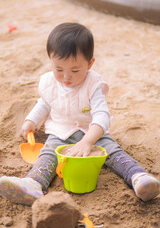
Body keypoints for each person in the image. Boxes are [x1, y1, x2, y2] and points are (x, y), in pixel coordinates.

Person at [0, 23, 159, 206]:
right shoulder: (49, 82)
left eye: (75, 70)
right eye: (58, 69)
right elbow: (44, 103)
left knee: (113, 152)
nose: (66, 77)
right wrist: (31, 120)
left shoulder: (93, 85)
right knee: (48, 155)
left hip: (91, 132)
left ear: (90, 64)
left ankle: (138, 177)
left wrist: (88, 141)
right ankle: (34, 183)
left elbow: (101, 117)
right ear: (50, 60)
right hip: (60, 132)